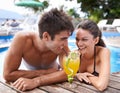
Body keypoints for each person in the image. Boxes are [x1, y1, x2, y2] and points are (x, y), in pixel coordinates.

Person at [3, 8, 74, 91]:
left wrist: (37, 81)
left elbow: (70, 72)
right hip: (51, 72)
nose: (66, 44)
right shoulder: (23, 40)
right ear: (46, 36)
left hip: (52, 74)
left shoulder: (62, 45)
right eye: (63, 39)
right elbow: (8, 74)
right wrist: (44, 72)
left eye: (67, 39)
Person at [75, 19, 110, 91]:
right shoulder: (75, 54)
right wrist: (77, 75)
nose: (79, 44)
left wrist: (86, 75)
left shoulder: (103, 52)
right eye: (77, 39)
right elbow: (66, 73)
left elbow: (101, 86)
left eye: (84, 39)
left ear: (96, 40)